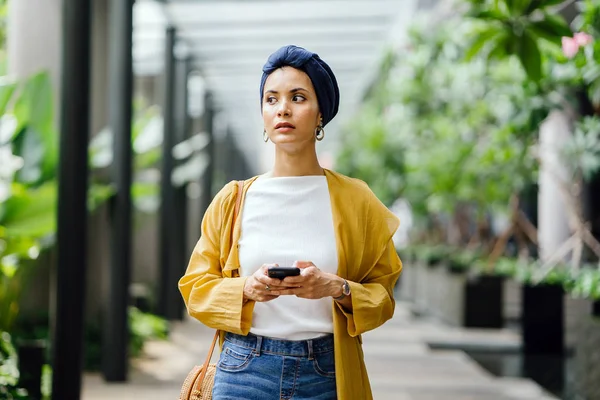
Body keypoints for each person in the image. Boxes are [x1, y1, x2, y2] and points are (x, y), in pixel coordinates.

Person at [179, 44, 403, 400]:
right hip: (243, 370)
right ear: (264, 115)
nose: (283, 108)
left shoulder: (356, 200)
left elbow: (383, 296)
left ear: (320, 115)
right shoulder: (234, 198)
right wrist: (246, 289)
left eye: (298, 97)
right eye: (272, 99)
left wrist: (336, 287)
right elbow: (195, 288)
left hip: (327, 372)